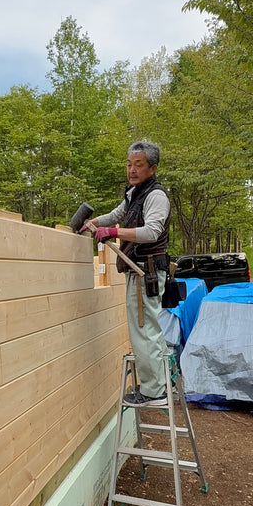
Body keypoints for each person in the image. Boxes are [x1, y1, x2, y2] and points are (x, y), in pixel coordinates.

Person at [84, 140, 171, 407]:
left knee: (145, 332)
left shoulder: (155, 195)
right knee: (145, 331)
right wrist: (93, 223)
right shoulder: (134, 194)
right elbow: (116, 214)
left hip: (147, 273)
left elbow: (152, 232)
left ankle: (155, 392)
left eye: (138, 165)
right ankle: (159, 383)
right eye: (129, 164)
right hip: (139, 274)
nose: (131, 170)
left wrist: (113, 232)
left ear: (152, 168)